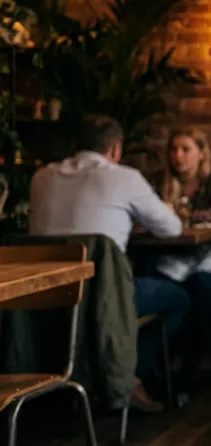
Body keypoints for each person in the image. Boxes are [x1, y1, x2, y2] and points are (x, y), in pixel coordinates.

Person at [28, 114, 186, 412]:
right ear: (115, 148)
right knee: (177, 298)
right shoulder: (124, 177)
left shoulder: (41, 177)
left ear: (75, 145)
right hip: (103, 298)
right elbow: (172, 228)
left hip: (42, 301)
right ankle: (129, 376)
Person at [150, 127, 211, 380]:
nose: (178, 156)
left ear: (202, 153)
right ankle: (170, 354)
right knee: (164, 284)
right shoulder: (165, 181)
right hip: (181, 252)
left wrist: (178, 216)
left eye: (185, 149)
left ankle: (207, 354)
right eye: (173, 149)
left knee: (203, 283)